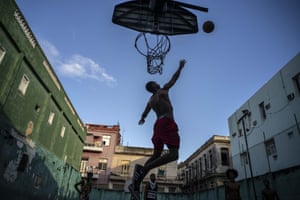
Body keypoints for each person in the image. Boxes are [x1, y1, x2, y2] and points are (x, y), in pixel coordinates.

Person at [128, 59, 186, 200]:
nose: (157, 83)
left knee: (156, 155)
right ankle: (144, 169)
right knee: (174, 155)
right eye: (155, 82)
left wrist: (142, 118)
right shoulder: (162, 90)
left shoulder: (150, 100)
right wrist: (180, 67)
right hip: (167, 122)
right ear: (153, 86)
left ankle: (136, 184)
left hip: (157, 126)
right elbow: (174, 79)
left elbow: (145, 111)